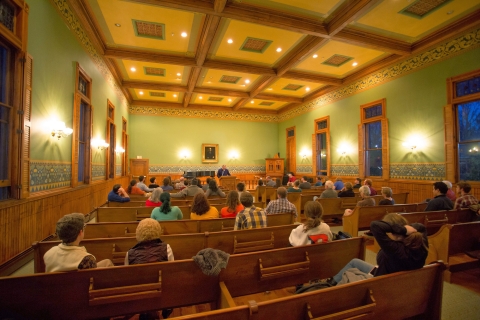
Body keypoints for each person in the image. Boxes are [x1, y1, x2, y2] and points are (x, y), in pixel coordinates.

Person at [326, 213, 428, 286]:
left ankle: (330, 286)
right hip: (400, 281)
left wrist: (403, 229)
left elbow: (375, 225)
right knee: (355, 262)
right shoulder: (420, 246)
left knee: (348, 274)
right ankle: (331, 283)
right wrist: (405, 230)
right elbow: (421, 227)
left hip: (382, 284)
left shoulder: (393, 249)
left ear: (391, 231)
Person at [124, 218, 174, 319]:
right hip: (160, 291)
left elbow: (127, 277)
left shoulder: (130, 253)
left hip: (139, 294)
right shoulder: (167, 248)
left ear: (138, 232)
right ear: (158, 230)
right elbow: (170, 272)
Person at [44, 213, 113, 272]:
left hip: (55, 286)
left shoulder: (48, 253)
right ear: (80, 232)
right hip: (78, 286)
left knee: (107, 262)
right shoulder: (86, 259)